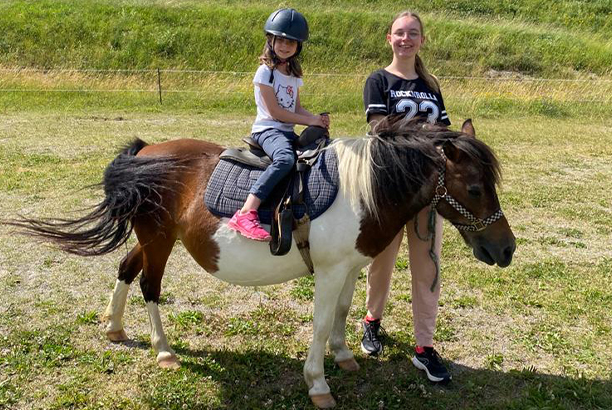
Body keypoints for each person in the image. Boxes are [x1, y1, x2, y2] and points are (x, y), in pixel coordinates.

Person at [361, 10, 452, 383]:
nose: (406, 38)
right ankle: (372, 321)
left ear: (422, 40)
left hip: (428, 192)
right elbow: (378, 129)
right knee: (381, 262)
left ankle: (424, 347)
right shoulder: (378, 80)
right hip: (388, 189)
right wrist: (427, 136)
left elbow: (444, 132)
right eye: (400, 33)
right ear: (389, 38)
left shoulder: (431, 84)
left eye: (413, 33)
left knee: (427, 268)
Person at [228, 8, 329, 241]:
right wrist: (309, 120)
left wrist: (317, 119)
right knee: (285, 159)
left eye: (291, 42)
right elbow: (275, 112)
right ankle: (246, 211)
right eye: (281, 40)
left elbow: (296, 109)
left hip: (286, 131)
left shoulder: (293, 74)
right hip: (268, 130)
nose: (285, 46)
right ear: (271, 40)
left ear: (298, 46)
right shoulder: (265, 73)